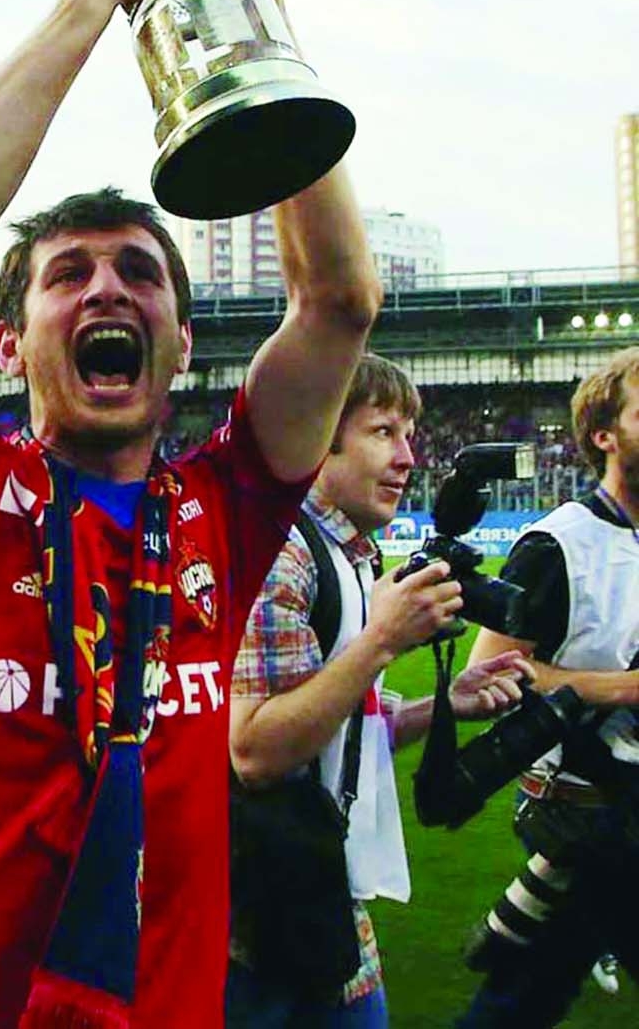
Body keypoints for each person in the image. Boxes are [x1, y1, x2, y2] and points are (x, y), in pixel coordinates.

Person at [0, 0, 383, 1027]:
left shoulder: (223, 507)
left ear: (184, 342)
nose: (109, 285)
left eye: (141, 269)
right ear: (9, 344)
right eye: (70, 274)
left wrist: (257, 21)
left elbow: (339, 301)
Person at [228, 354, 532, 1026]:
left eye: (410, 433)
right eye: (383, 432)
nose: (408, 457)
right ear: (320, 438)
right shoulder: (282, 553)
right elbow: (254, 751)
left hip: (321, 892)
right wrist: (381, 642)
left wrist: (443, 706)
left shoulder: (350, 556)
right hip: (254, 924)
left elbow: (340, 732)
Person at [456, 347, 639, 1027]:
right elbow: (495, 671)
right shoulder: (559, 544)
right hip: (585, 814)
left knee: (523, 997)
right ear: (604, 435)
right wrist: (624, 689)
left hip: (614, 823)